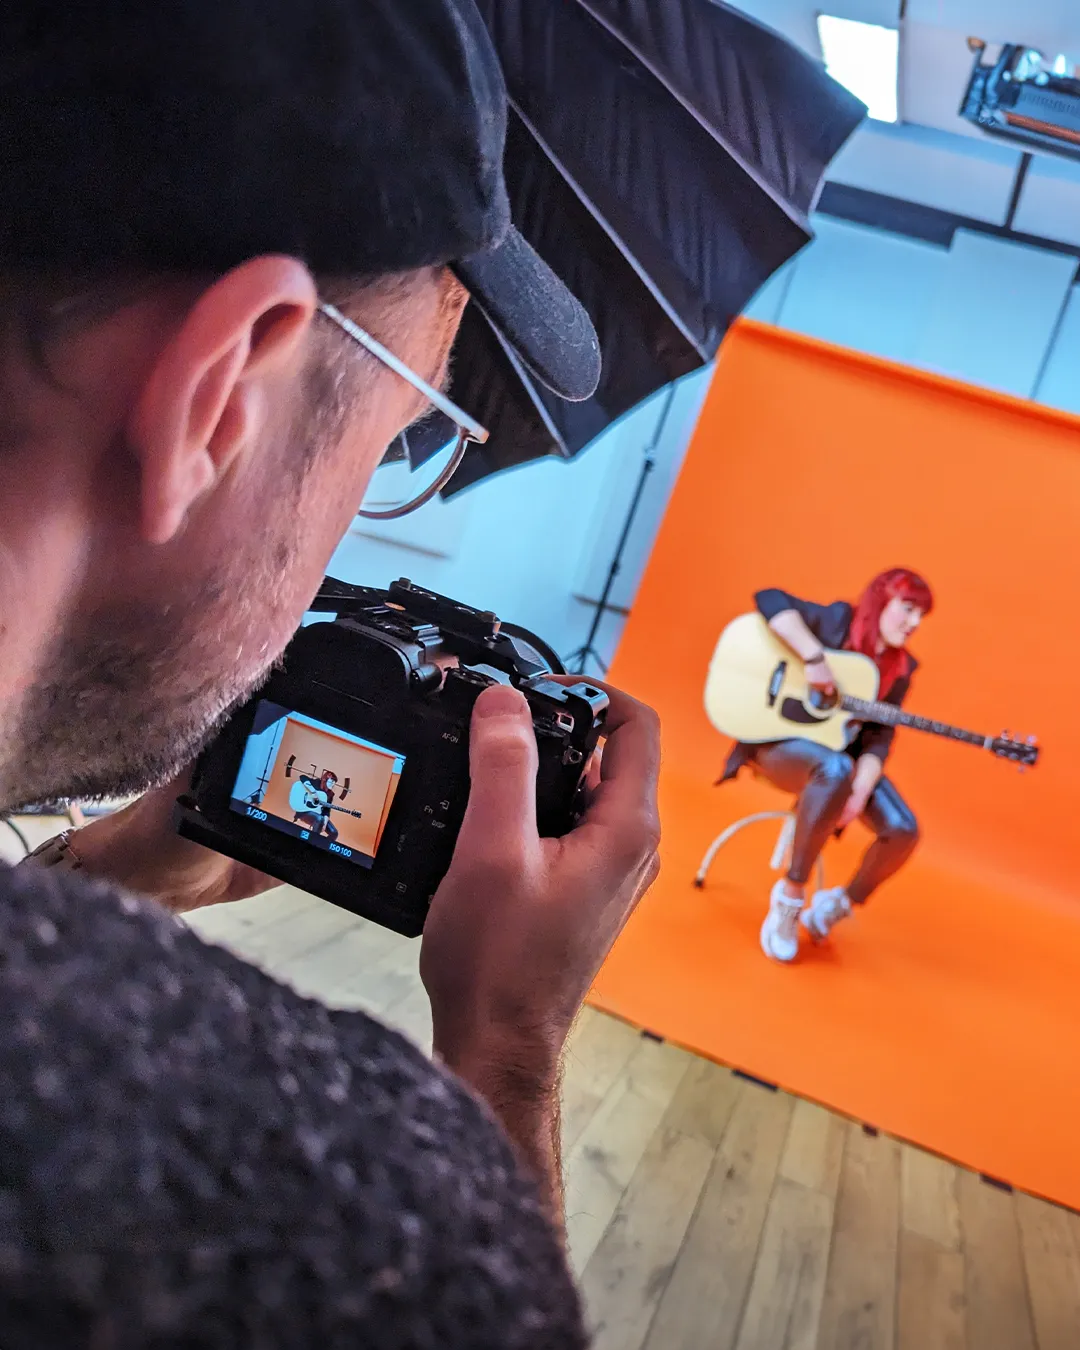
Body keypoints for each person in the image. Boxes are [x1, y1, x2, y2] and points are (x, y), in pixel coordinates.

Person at [0, 1, 661, 1344]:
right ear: (223, 387)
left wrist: (101, 882)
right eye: (407, 429)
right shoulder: (269, 1205)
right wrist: (506, 1062)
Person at [721, 568, 932, 963]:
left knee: (903, 829)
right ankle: (790, 896)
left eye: (921, 616)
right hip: (776, 745)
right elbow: (769, 596)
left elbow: (878, 735)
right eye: (908, 609)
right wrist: (814, 659)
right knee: (835, 769)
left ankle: (836, 904)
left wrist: (861, 790)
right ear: (881, 601)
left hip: (842, 764)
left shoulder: (902, 669)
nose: (915, 623)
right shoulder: (836, 622)